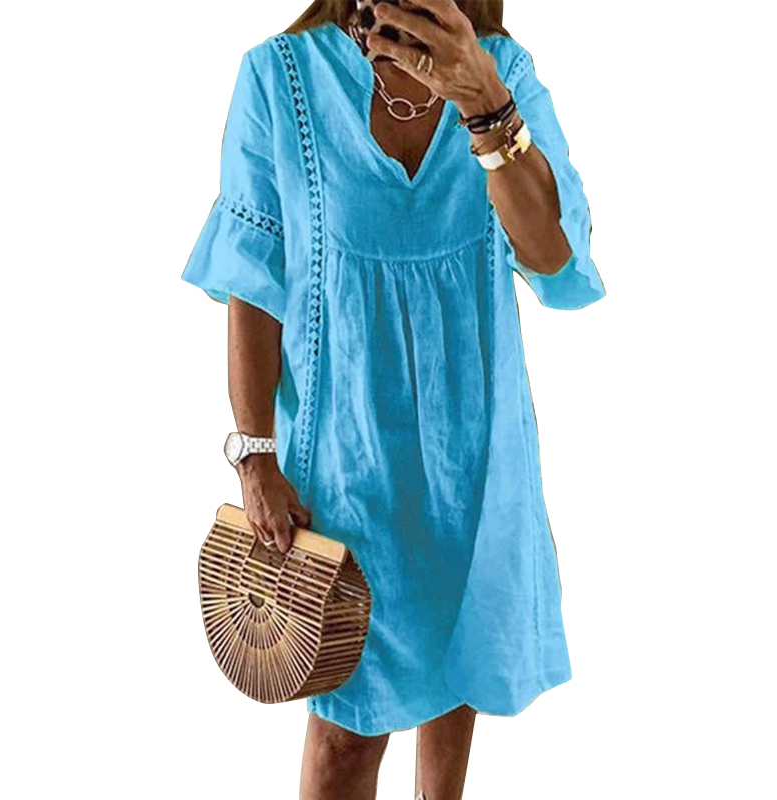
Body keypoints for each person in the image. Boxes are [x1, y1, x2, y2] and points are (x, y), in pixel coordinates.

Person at [181, 1, 606, 797]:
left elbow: (552, 255)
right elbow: (251, 281)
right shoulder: (280, 77)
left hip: (474, 458)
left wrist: (484, 102)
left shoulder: (501, 73)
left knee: (458, 689)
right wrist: (255, 454)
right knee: (345, 737)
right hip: (344, 466)